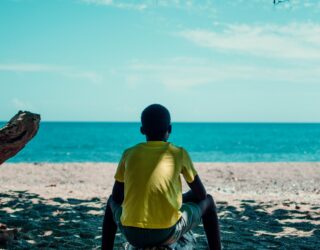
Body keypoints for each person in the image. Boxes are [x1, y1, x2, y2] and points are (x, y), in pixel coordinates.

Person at [101, 104, 221, 249]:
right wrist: (183, 198)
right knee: (209, 201)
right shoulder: (178, 153)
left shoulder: (129, 154)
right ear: (169, 129)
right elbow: (201, 194)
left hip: (131, 234)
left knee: (110, 202)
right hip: (167, 233)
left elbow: (117, 197)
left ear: (142, 130)